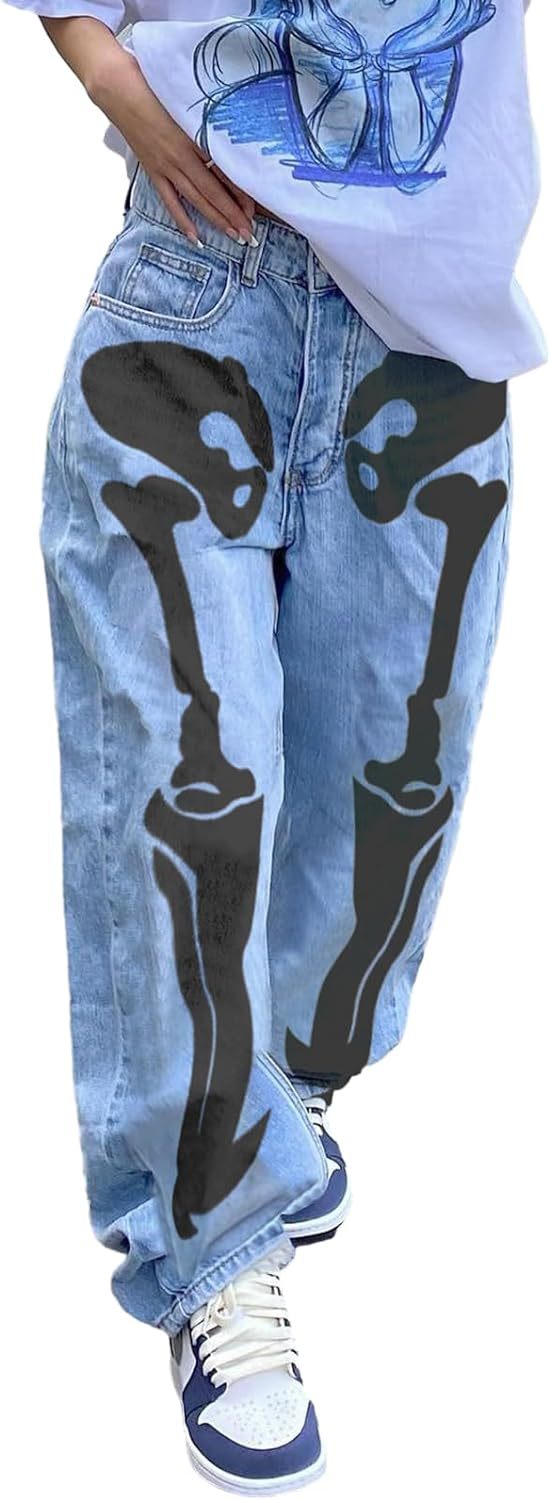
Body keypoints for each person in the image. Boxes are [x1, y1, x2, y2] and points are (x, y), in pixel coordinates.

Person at [4, 0, 543, 1490]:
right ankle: (214, 1242)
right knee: (186, 785)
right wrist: (97, 58)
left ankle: (282, 1080)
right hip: (194, 299)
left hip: (428, 333)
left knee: (397, 771)